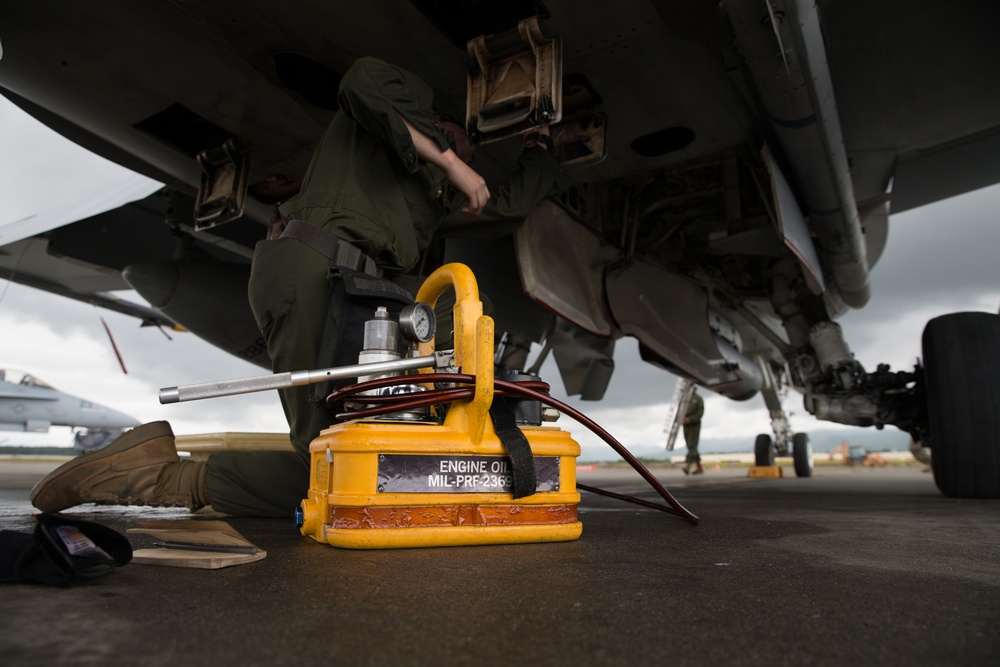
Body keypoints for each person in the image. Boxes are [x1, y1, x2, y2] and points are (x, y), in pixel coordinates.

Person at [30, 56, 569, 518]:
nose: (464, 156)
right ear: (432, 125)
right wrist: (451, 160)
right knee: (327, 463)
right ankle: (149, 477)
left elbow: (508, 206)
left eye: (467, 155)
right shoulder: (371, 131)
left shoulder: (431, 200)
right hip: (312, 267)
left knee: (349, 455)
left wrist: (541, 143)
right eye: (456, 140)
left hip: (349, 292)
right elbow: (364, 77)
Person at [682, 389, 704, 475]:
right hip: (685, 425)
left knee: (692, 445)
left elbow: (700, 412)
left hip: (694, 425)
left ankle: (687, 466)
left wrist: (690, 419)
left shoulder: (698, 399)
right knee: (690, 446)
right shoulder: (684, 399)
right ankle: (699, 467)